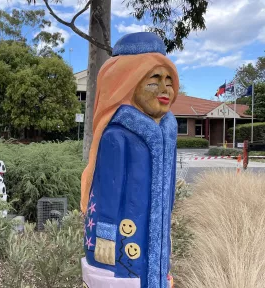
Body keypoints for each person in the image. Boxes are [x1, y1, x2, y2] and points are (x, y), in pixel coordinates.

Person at [80, 32, 179, 288]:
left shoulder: (167, 132)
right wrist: (105, 235)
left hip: (156, 240)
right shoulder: (117, 135)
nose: (164, 88)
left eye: (168, 79)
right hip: (122, 240)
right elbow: (106, 192)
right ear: (128, 83)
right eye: (154, 79)